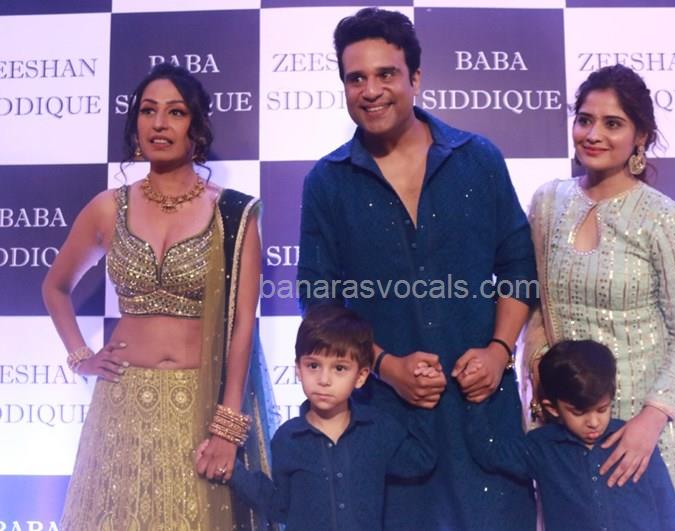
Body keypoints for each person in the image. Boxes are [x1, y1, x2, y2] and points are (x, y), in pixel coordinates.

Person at [298, 7, 537, 530]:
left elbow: (518, 265)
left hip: (484, 421)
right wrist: (385, 366)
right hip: (386, 428)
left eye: (386, 74)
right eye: (356, 78)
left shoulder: (478, 158)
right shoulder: (327, 182)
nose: (371, 91)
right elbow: (319, 302)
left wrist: (499, 351)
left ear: (416, 78)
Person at [43, 63, 278, 530]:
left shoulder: (232, 213)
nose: (159, 124)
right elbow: (55, 287)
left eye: (175, 112)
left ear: (198, 127)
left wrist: (228, 425)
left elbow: (242, 327)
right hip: (122, 403)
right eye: (148, 111)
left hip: (201, 402)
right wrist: (81, 357)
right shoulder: (108, 207)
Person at [523, 64, 675, 530]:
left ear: (641, 137)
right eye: (584, 120)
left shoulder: (665, 219)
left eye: (612, 123)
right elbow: (537, 303)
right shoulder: (548, 202)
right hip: (571, 425)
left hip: (652, 432)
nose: (593, 134)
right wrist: (541, 376)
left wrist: (649, 421)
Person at [206, 304, 437, 530]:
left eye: (339, 368)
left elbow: (420, 460)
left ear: (360, 376)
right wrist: (235, 472)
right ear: (298, 369)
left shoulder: (377, 429)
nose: (324, 380)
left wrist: (424, 394)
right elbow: (279, 507)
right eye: (313, 366)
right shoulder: (287, 438)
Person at [468, 339, 675, 530]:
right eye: (579, 413)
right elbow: (488, 452)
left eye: (602, 409)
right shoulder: (541, 447)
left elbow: (667, 507)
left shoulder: (632, 440)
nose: (593, 423)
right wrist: (476, 398)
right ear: (553, 408)